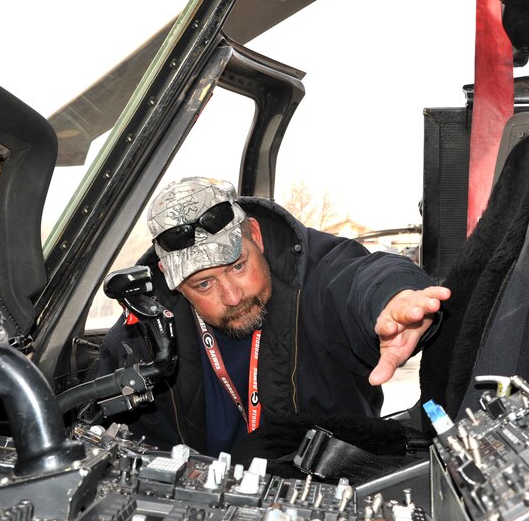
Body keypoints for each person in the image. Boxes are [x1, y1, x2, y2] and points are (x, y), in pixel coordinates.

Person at [97, 177, 450, 457]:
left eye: (238, 266)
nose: (232, 296)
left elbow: (360, 277)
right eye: (204, 284)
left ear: (255, 235)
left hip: (329, 485)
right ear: (170, 278)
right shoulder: (142, 336)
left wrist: (391, 294)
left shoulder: (314, 270)